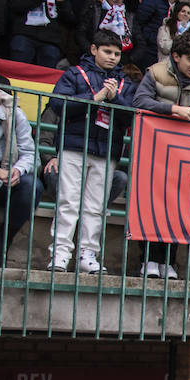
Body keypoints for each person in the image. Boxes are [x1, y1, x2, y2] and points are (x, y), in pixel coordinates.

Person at [132, 32, 190, 278]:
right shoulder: (155, 72)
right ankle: (148, 259)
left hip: (188, 154)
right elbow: (139, 101)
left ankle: (169, 262)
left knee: (179, 207)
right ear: (176, 56)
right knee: (152, 205)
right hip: (153, 150)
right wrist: (172, 110)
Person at [45, 29, 134, 274]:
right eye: (107, 51)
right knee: (68, 202)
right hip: (74, 146)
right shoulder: (74, 74)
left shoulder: (125, 83)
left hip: (107, 151)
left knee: (96, 207)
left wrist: (115, 98)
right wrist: (95, 97)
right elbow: (58, 104)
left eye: (117, 53)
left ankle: (88, 254)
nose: (112, 57)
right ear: (94, 49)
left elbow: (132, 117)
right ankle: (60, 254)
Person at [0, 67, 42, 269]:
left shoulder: (14, 112)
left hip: (7, 178)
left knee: (32, 186)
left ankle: (2, 243)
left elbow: (29, 153)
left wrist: (18, 170)